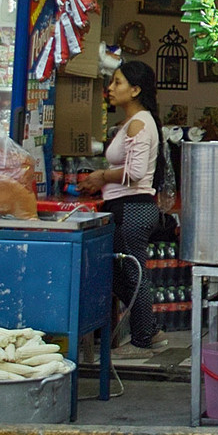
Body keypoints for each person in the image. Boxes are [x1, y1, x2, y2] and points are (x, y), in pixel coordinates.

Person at [78, 60, 169, 358]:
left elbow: (138, 171)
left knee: (132, 274)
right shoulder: (134, 123)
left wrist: (101, 176)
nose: (110, 88)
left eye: (117, 82)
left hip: (134, 209)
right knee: (119, 274)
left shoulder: (140, 122)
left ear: (135, 90)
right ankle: (149, 329)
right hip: (125, 208)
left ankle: (144, 338)